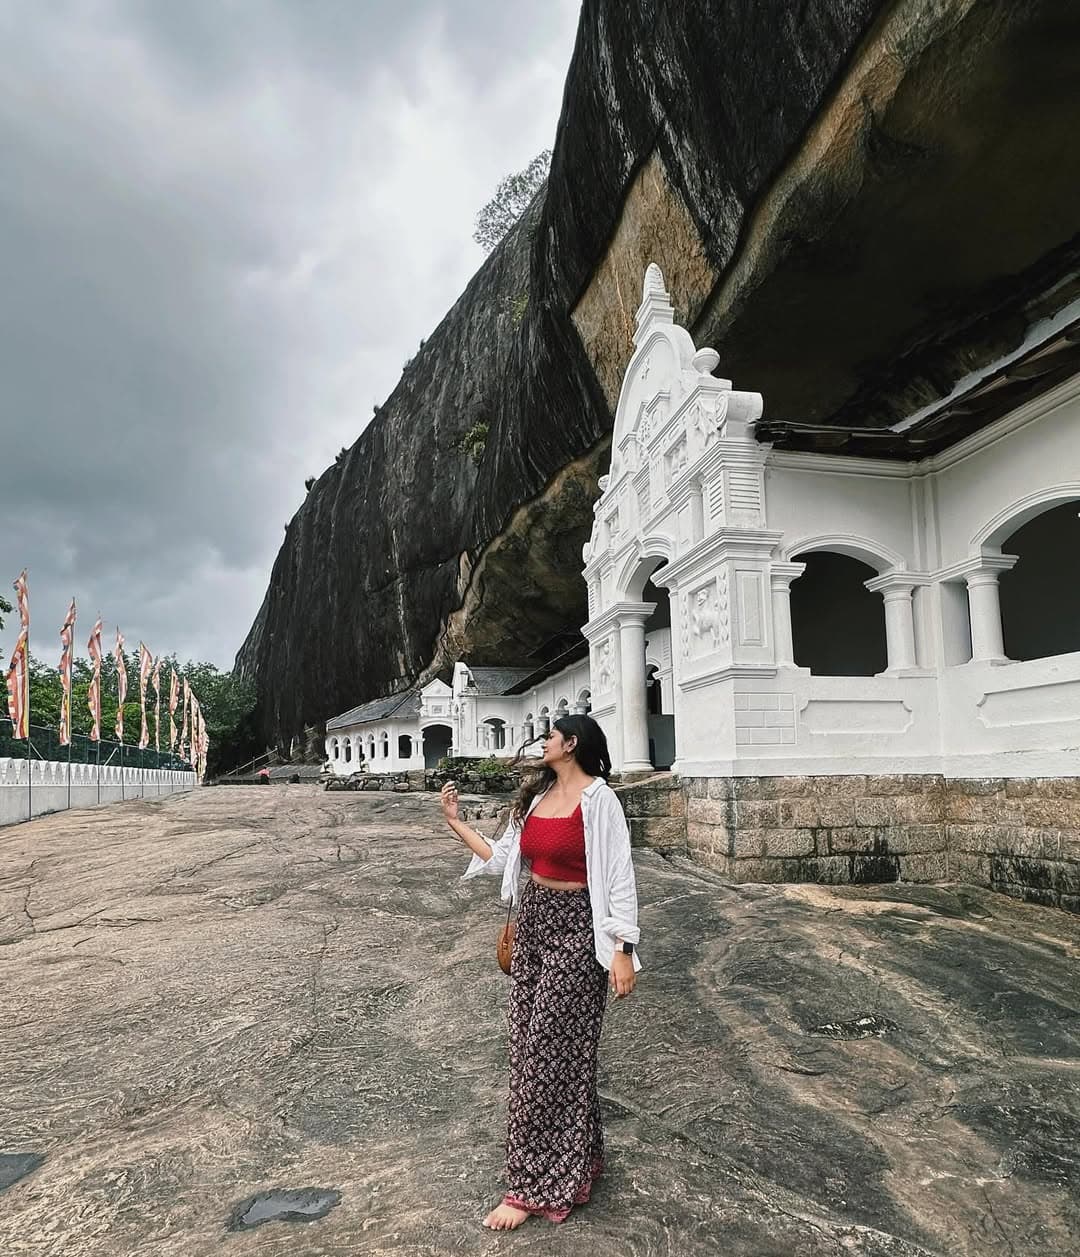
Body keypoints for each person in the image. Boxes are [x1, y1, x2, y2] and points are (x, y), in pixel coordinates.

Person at [440, 714, 641, 1230]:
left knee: (548, 1052)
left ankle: (527, 1186)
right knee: (537, 1048)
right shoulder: (533, 800)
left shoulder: (600, 801)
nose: (542, 742)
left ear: (571, 745)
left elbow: (618, 874)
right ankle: (580, 1162)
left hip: (580, 930)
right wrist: (456, 822)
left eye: (549, 736)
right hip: (534, 924)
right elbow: (501, 857)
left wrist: (622, 947)